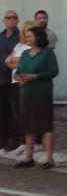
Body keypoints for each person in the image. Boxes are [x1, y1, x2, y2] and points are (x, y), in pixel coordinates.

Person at [12, 26, 58, 169]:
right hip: (26, 92)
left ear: (38, 37)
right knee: (28, 125)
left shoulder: (47, 52)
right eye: (26, 36)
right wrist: (18, 77)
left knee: (45, 124)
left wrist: (36, 76)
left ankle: (49, 159)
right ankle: (29, 158)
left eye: (29, 36)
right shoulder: (25, 53)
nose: (26, 39)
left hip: (42, 93)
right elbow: (18, 70)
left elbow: (54, 71)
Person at [0, 11, 21, 151]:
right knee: (2, 111)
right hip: (1, 79)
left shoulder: (21, 37)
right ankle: (3, 138)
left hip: (15, 80)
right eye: (8, 18)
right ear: (4, 20)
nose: (11, 20)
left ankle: (15, 139)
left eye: (14, 18)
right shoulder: (0, 36)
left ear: (17, 20)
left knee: (15, 111)